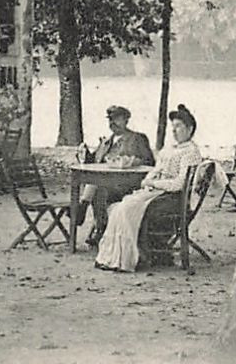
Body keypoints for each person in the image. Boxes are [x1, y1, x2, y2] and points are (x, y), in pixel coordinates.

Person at [93, 105, 205, 273]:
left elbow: (179, 184)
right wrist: (148, 180)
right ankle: (114, 257)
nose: (174, 131)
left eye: (179, 127)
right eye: (172, 127)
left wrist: (154, 184)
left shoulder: (190, 153)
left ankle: (127, 259)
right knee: (119, 207)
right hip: (158, 193)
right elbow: (156, 169)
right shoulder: (171, 149)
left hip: (173, 199)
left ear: (190, 129)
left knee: (126, 208)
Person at [80, 106, 157, 246]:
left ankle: (89, 216)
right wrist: (85, 155)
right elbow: (95, 162)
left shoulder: (137, 138)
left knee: (98, 188)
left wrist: (132, 162)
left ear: (126, 120)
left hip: (129, 185)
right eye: (110, 119)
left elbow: (150, 163)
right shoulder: (106, 142)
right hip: (106, 185)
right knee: (98, 187)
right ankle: (99, 227)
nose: (112, 122)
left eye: (116, 119)